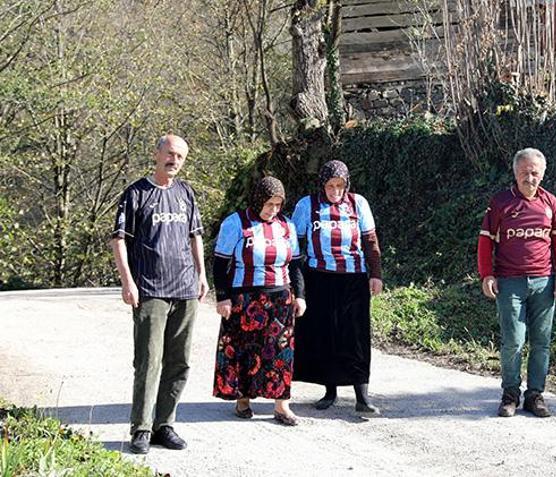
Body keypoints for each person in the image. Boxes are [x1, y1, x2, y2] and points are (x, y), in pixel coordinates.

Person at [111, 134, 209, 454]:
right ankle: (140, 428)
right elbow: (119, 239)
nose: (174, 160)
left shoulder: (185, 193)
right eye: (170, 154)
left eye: (180, 156)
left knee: (179, 362)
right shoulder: (136, 193)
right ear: (157, 154)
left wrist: (202, 275)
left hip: (185, 289)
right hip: (150, 290)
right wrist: (128, 282)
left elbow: (195, 236)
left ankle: (164, 424)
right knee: (149, 361)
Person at [477, 147, 556, 418]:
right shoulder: (500, 203)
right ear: (515, 173)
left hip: (544, 283)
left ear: (542, 174)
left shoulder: (551, 203)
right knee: (513, 342)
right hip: (510, 283)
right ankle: (510, 395)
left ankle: (535, 396)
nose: (529, 178)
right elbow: (485, 243)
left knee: (541, 342)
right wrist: (487, 275)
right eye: (524, 173)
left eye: (534, 173)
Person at [211, 176, 306, 426]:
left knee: (280, 353)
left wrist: (301, 296)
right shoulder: (236, 223)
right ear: (257, 199)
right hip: (245, 297)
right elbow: (220, 264)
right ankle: (243, 399)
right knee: (246, 350)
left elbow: (295, 264)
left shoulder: (286, 226)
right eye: (268, 204)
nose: (273, 210)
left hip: (280, 297)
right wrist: (223, 298)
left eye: (277, 205)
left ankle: (281, 405)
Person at [291, 160, 383, 414]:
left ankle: (362, 396)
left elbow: (370, 241)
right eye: (330, 186)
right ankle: (329, 391)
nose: (335, 191)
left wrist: (375, 275)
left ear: (347, 184)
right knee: (326, 335)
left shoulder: (358, 203)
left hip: (353, 278)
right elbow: (295, 247)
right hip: (319, 278)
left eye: (340, 186)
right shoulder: (306, 205)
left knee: (356, 336)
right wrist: (297, 285)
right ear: (322, 185)